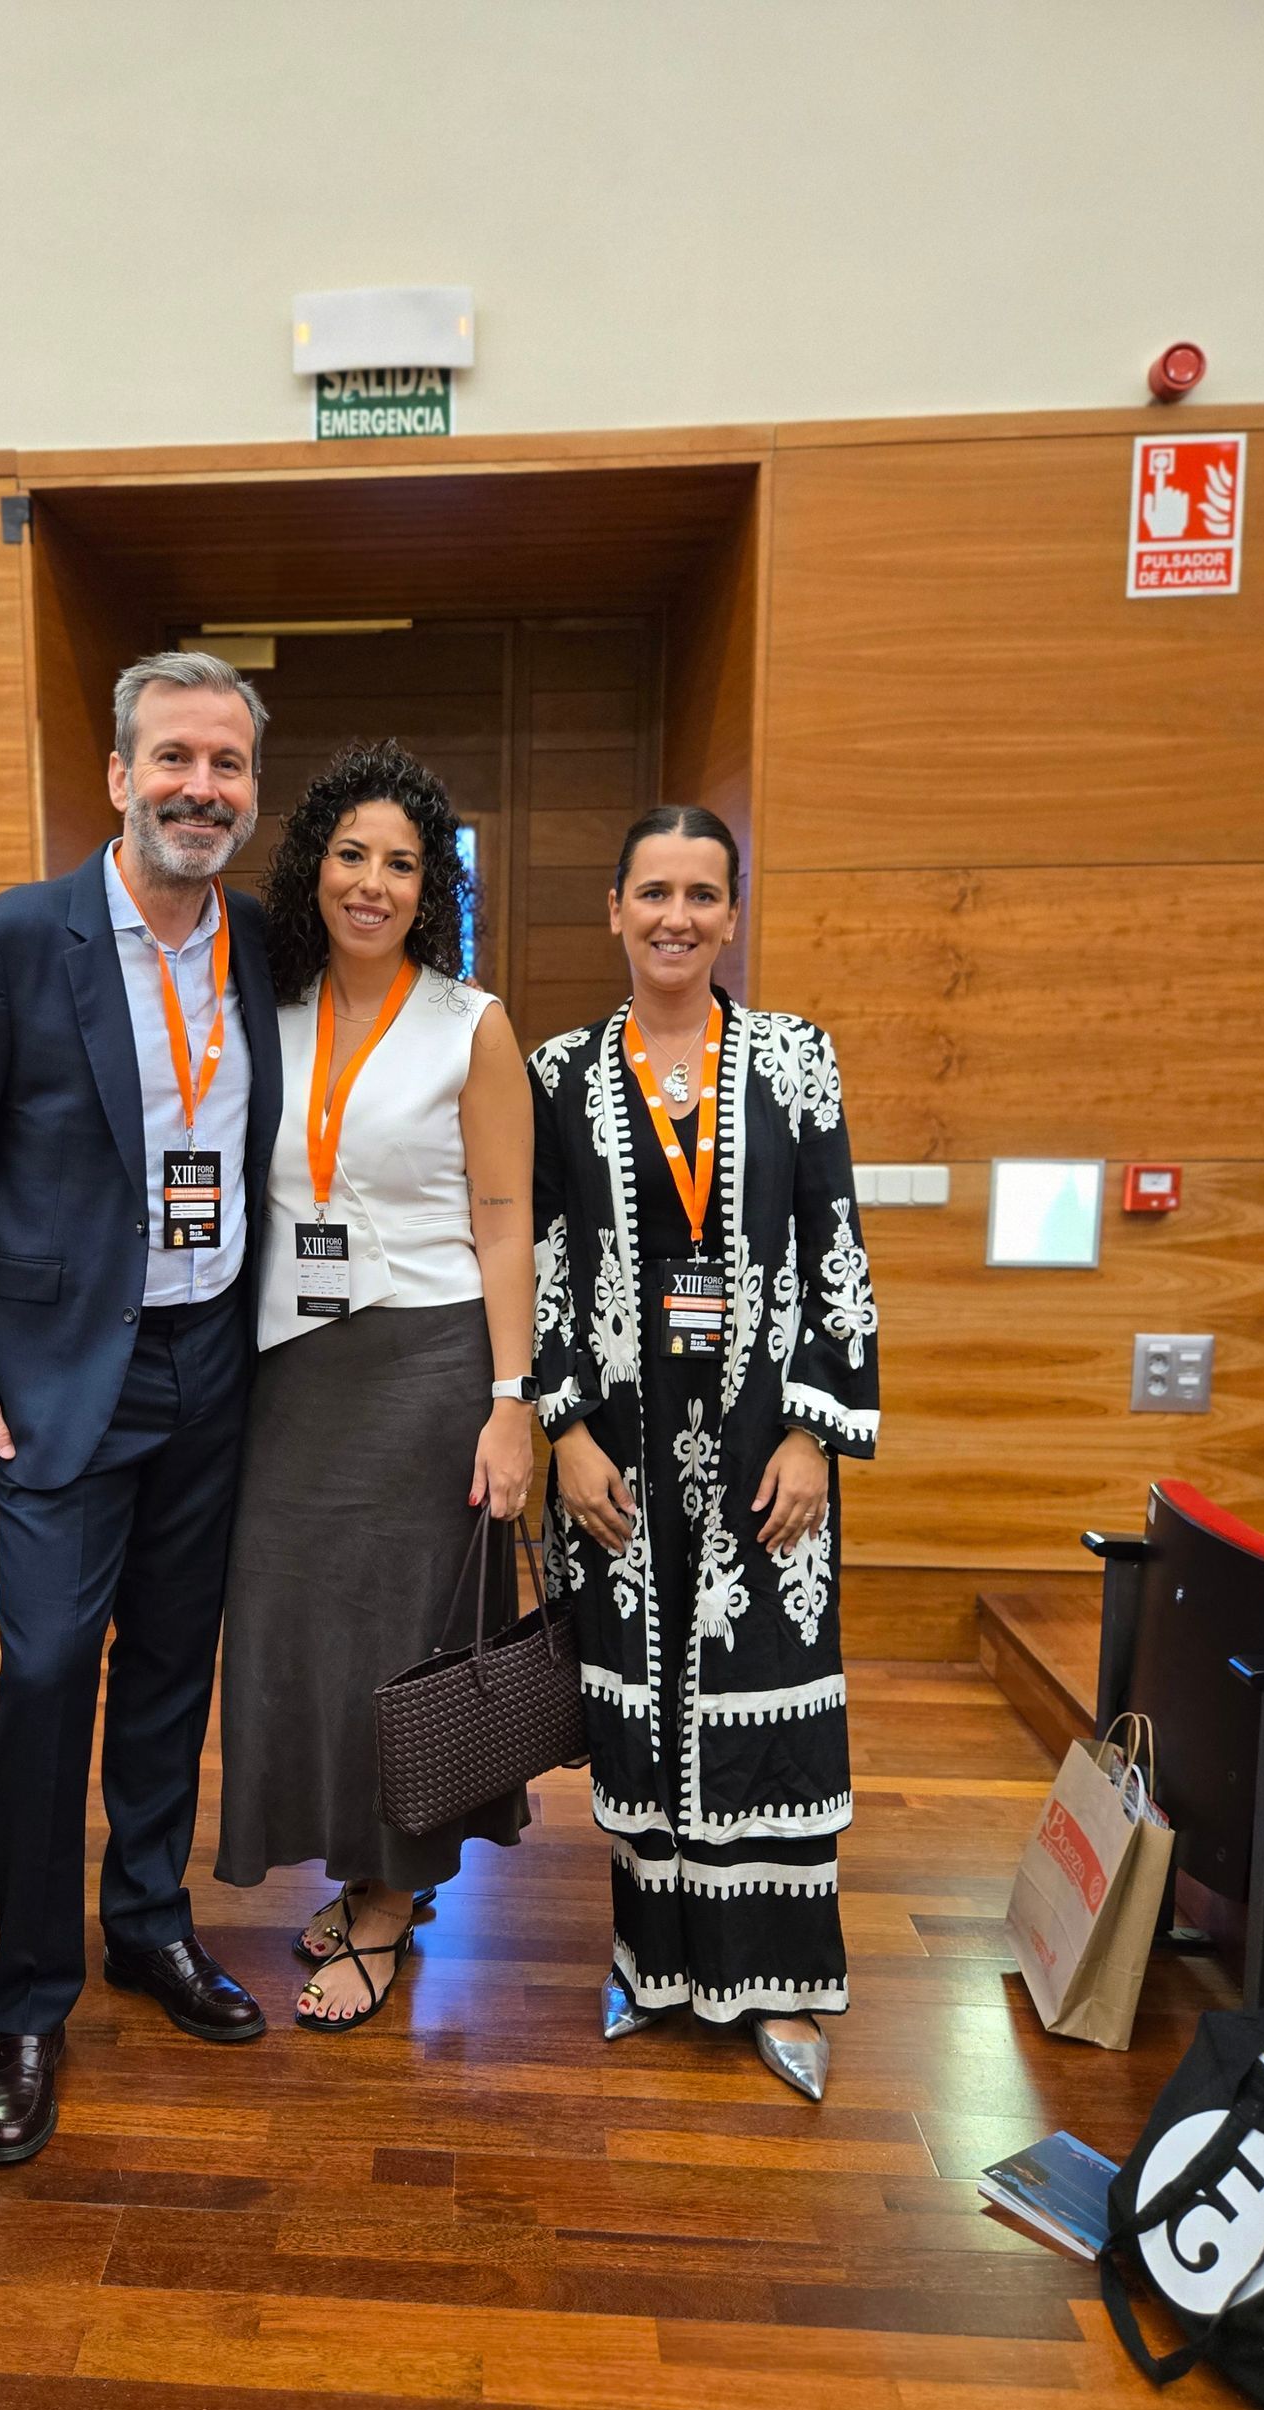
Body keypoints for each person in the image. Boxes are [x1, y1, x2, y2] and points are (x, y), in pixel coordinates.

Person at [0, 649, 283, 2168]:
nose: (202, 787)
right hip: (58, 1385)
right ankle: (31, 1996)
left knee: (177, 1665)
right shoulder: (9, 944)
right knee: (51, 1675)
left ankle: (150, 1927)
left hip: (213, 1366)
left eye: (228, 765)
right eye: (174, 757)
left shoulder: (256, 941)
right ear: (117, 776)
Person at [527, 805, 879, 2100]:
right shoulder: (558, 1073)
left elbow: (834, 1242)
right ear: (613, 909)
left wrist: (812, 1434)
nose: (677, 915)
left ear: (732, 915)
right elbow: (549, 1262)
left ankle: (779, 1981)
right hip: (614, 1453)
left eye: (703, 894)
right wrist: (558, 1427)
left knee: (768, 1695)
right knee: (639, 1701)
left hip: (762, 1446)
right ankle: (654, 1961)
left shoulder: (796, 1059)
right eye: (653, 891)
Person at [216, 741, 536, 2029]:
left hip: (428, 1361)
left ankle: (388, 1899)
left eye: (404, 863)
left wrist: (515, 1396)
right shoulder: (263, 1008)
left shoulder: (473, 1021)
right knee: (300, 1635)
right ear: (314, 866)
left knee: (402, 1644)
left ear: (430, 887)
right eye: (353, 853)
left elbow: (508, 1216)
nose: (374, 882)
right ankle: (361, 1872)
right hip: (290, 1371)